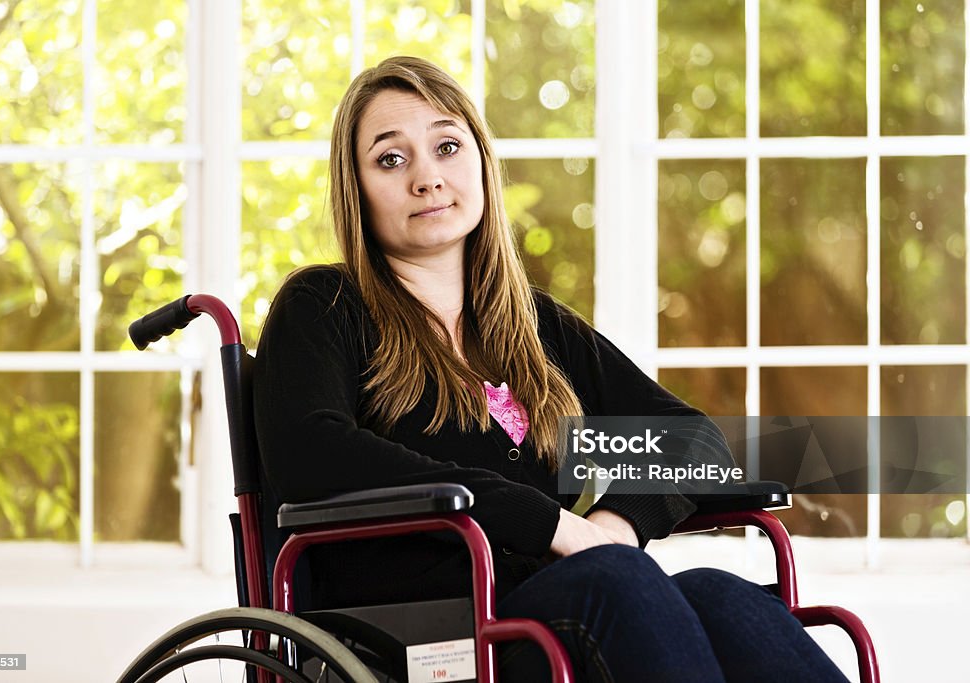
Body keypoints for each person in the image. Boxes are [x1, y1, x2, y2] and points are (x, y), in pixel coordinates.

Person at [254, 55, 848, 682]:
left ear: (482, 164)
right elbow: (311, 453)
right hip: (411, 636)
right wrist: (548, 525)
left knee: (720, 594)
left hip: (543, 607)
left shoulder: (532, 327)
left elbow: (692, 439)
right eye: (391, 159)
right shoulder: (326, 307)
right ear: (357, 189)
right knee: (615, 583)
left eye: (448, 146)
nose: (427, 178)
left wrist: (613, 525)